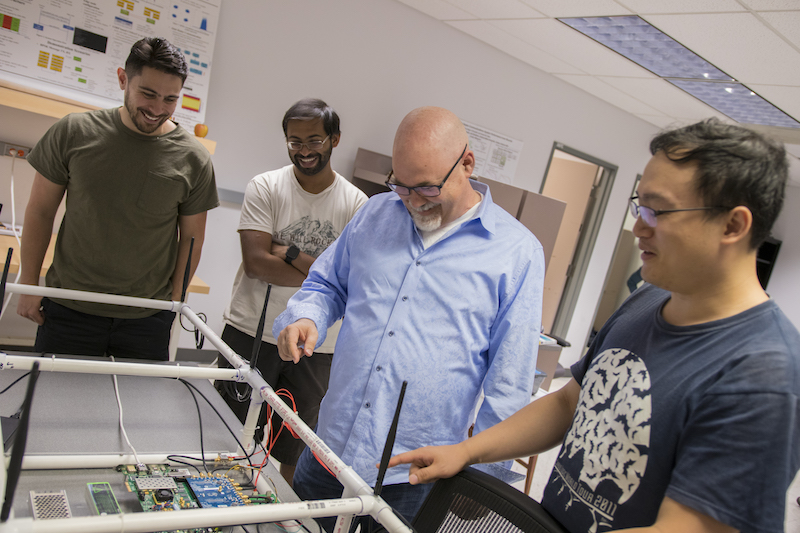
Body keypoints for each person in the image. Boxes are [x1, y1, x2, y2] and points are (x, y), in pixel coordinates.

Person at [389, 118, 800, 533]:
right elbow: (569, 403)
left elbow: (694, 528)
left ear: (733, 225)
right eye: (640, 206)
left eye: (657, 211)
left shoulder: (763, 373)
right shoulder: (648, 301)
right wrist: (467, 451)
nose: (639, 227)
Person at [274, 106, 545, 530]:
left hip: (414, 475)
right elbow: (326, 284)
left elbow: (508, 382)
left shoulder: (517, 252)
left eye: (427, 188)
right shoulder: (375, 215)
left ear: (467, 164)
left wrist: (484, 478)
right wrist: (307, 316)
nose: (413, 201)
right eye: (401, 185)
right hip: (328, 450)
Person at [17, 37, 218, 360]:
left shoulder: (193, 158)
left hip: (146, 315)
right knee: (54, 407)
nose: (157, 109)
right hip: (69, 308)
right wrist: (28, 285)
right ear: (123, 78)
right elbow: (40, 211)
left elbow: (192, 237)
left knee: (134, 409)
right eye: (148, 94)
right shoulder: (73, 132)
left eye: (170, 99)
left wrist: (174, 302)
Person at [216, 98, 367, 485]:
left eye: (314, 140)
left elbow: (349, 283)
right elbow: (256, 263)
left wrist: (291, 253)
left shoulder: (356, 206)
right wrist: (323, 272)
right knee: (224, 431)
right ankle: (215, 499)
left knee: (295, 444)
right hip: (251, 330)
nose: (304, 150)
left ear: (334, 139)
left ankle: (281, 515)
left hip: (317, 346)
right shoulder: (266, 186)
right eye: (294, 141)